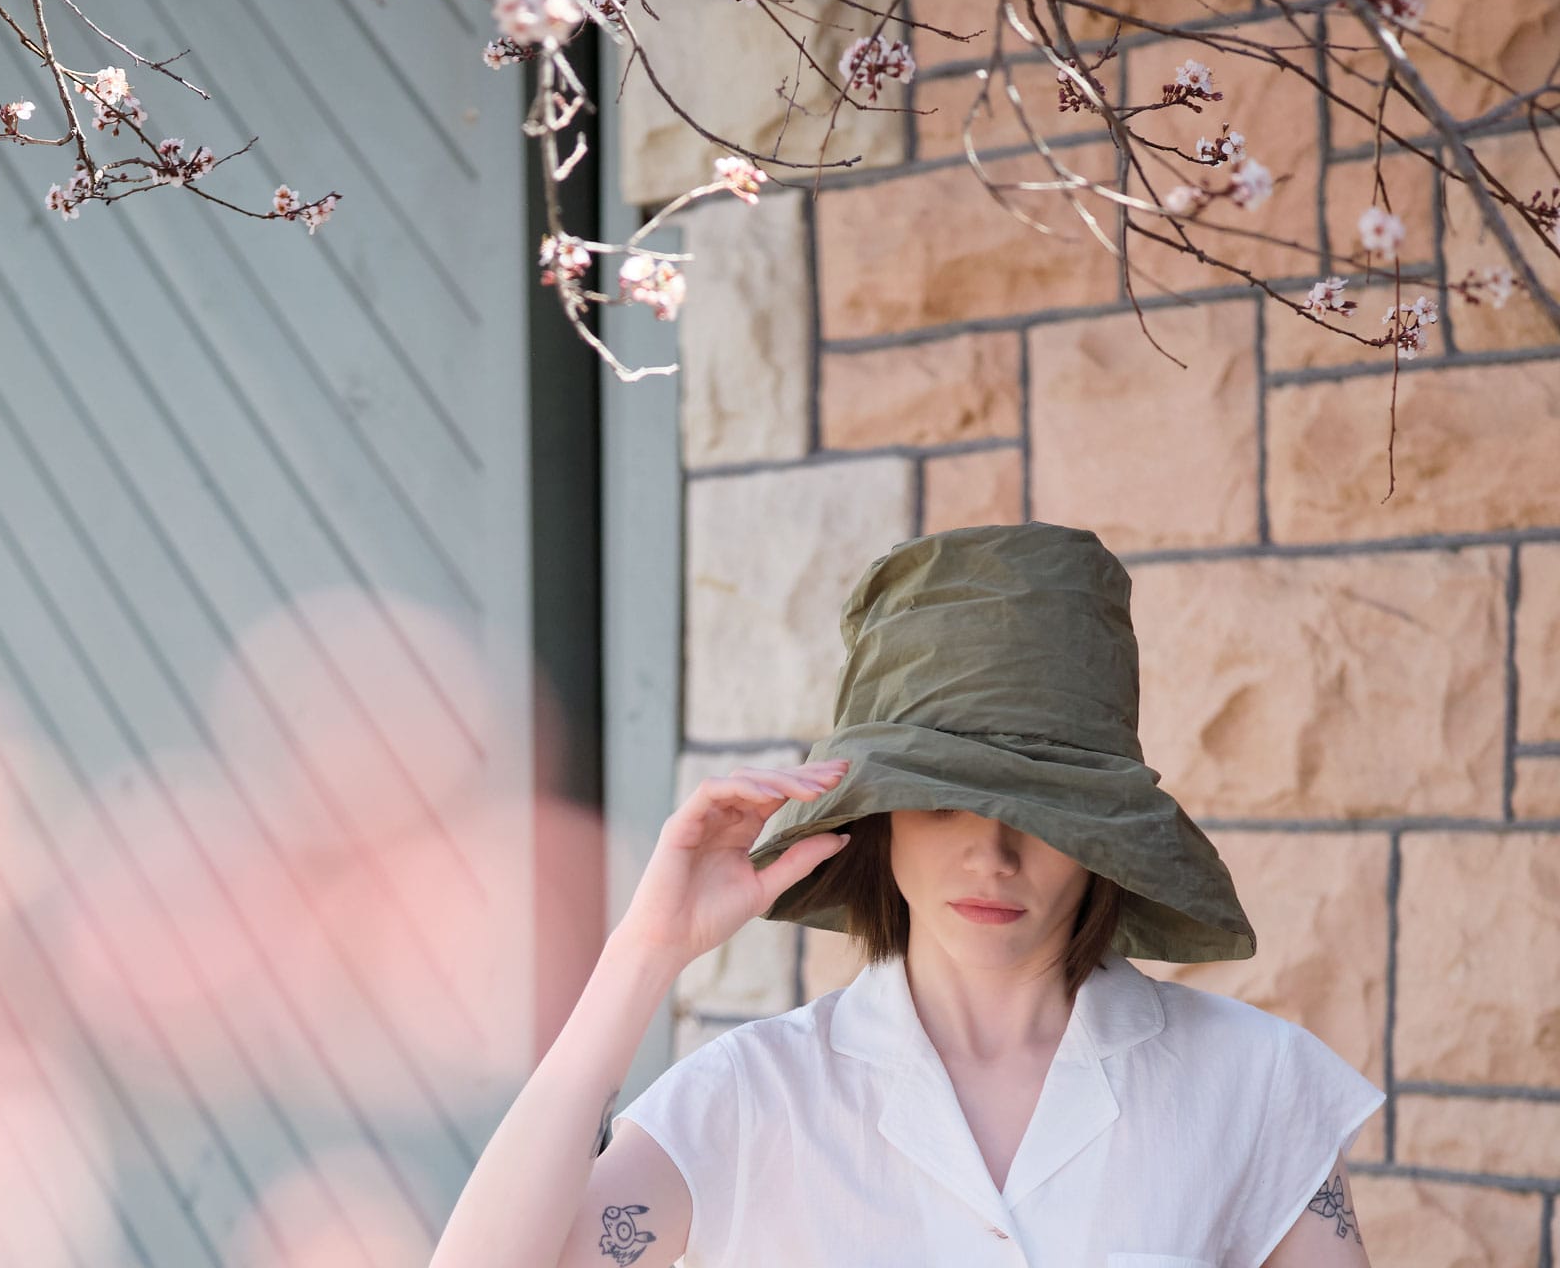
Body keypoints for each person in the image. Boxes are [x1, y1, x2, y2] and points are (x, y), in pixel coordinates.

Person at [429, 522, 1384, 1268]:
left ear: (1102, 835)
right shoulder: (755, 1097)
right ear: (879, 820)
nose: (993, 854)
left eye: (1043, 810)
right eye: (940, 805)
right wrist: (644, 952)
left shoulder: (1254, 1084)